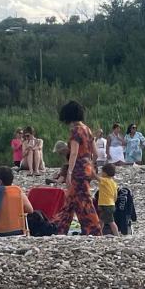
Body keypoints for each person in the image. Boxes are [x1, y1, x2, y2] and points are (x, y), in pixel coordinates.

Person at [52, 101, 102, 236]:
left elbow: (73, 153)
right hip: (87, 168)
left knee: (84, 200)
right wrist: (91, 166)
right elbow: (96, 153)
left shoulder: (75, 131)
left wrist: (69, 172)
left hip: (78, 170)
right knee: (71, 200)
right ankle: (59, 228)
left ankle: (95, 229)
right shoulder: (87, 129)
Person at [97, 162, 120, 236]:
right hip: (110, 204)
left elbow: (95, 177)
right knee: (102, 220)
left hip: (106, 204)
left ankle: (116, 234)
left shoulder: (105, 180)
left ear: (105, 173)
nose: (101, 173)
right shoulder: (113, 182)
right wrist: (114, 201)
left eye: (102, 172)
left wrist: (91, 170)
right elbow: (115, 195)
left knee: (110, 221)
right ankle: (99, 233)